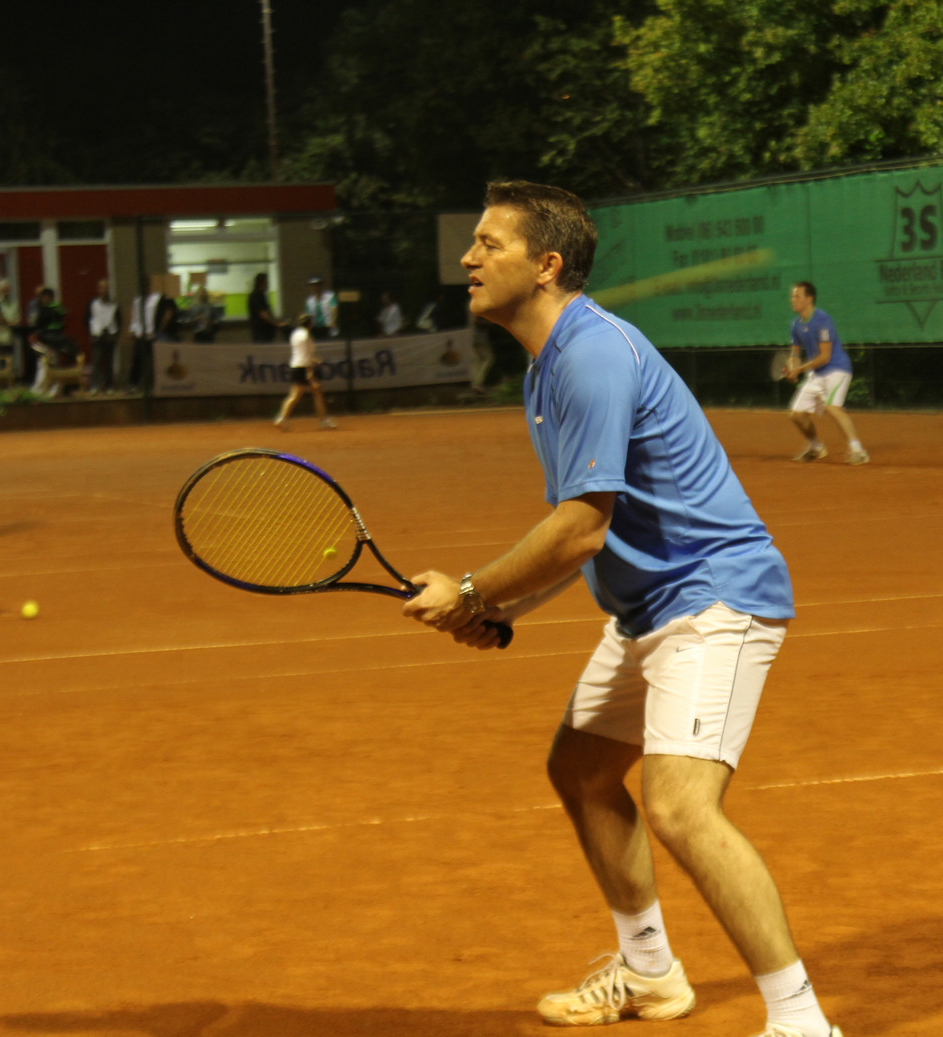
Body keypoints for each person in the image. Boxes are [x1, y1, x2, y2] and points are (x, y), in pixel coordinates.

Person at [402, 181, 841, 1037]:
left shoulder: (592, 354)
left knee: (680, 805)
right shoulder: (548, 366)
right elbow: (588, 533)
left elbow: (578, 528)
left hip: (714, 594)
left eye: (489, 244)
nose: (468, 257)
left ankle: (801, 1022)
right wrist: (502, 608)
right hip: (652, 608)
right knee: (581, 769)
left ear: (546, 265)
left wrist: (473, 591)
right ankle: (649, 972)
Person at [783, 282, 868, 465]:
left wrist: (799, 369)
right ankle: (816, 447)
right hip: (816, 374)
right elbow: (794, 354)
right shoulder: (795, 325)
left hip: (836, 369)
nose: (793, 300)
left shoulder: (822, 320)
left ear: (809, 299)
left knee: (832, 407)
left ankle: (858, 451)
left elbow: (825, 356)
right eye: (792, 296)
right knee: (796, 414)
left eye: (797, 296)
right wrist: (792, 369)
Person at [273, 314, 337, 431]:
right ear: (310, 324)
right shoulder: (306, 335)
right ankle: (323, 421)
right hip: (305, 367)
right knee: (317, 392)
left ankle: (281, 418)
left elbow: (302, 353)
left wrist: (315, 359)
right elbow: (306, 355)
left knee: (294, 395)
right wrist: (310, 372)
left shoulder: (295, 334)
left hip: (296, 366)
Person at [29, 287, 78, 395]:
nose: (44, 299)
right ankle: (40, 389)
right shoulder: (42, 309)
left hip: (52, 341)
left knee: (51, 363)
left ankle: (52, 390)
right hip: (42, 342)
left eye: (46, 297)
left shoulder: (52, 309)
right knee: (44, 363)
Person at [85, 279, 121, 393]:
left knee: (109, 361)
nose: (104, 290)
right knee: (96, 360)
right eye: (102, 288)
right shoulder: (93, 304)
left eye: (106, 288)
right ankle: (95, 385)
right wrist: (90, 332)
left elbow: (119, 319)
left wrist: (116, 334)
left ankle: (109, 385)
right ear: (98, 289)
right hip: (97, 334)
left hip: (110, 334)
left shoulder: (114, 304)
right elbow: (87, 318)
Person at [248, 272, 283, 343]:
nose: (267, 284)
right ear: (262, 283)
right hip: (261, 332)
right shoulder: (256, 296)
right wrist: (276, 323)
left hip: (265, 332)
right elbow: (263, 314)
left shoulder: (261, 295)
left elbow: (266, 312)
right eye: (266, 282)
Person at [305, 275, 337, 341]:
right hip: (315, 328)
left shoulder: (330, 296)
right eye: (312, 285)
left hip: (328, 326)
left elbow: (334, 309)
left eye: (317, 285)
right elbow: (308, 315)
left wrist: (333, 322)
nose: (314, 287)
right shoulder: (309, 301)